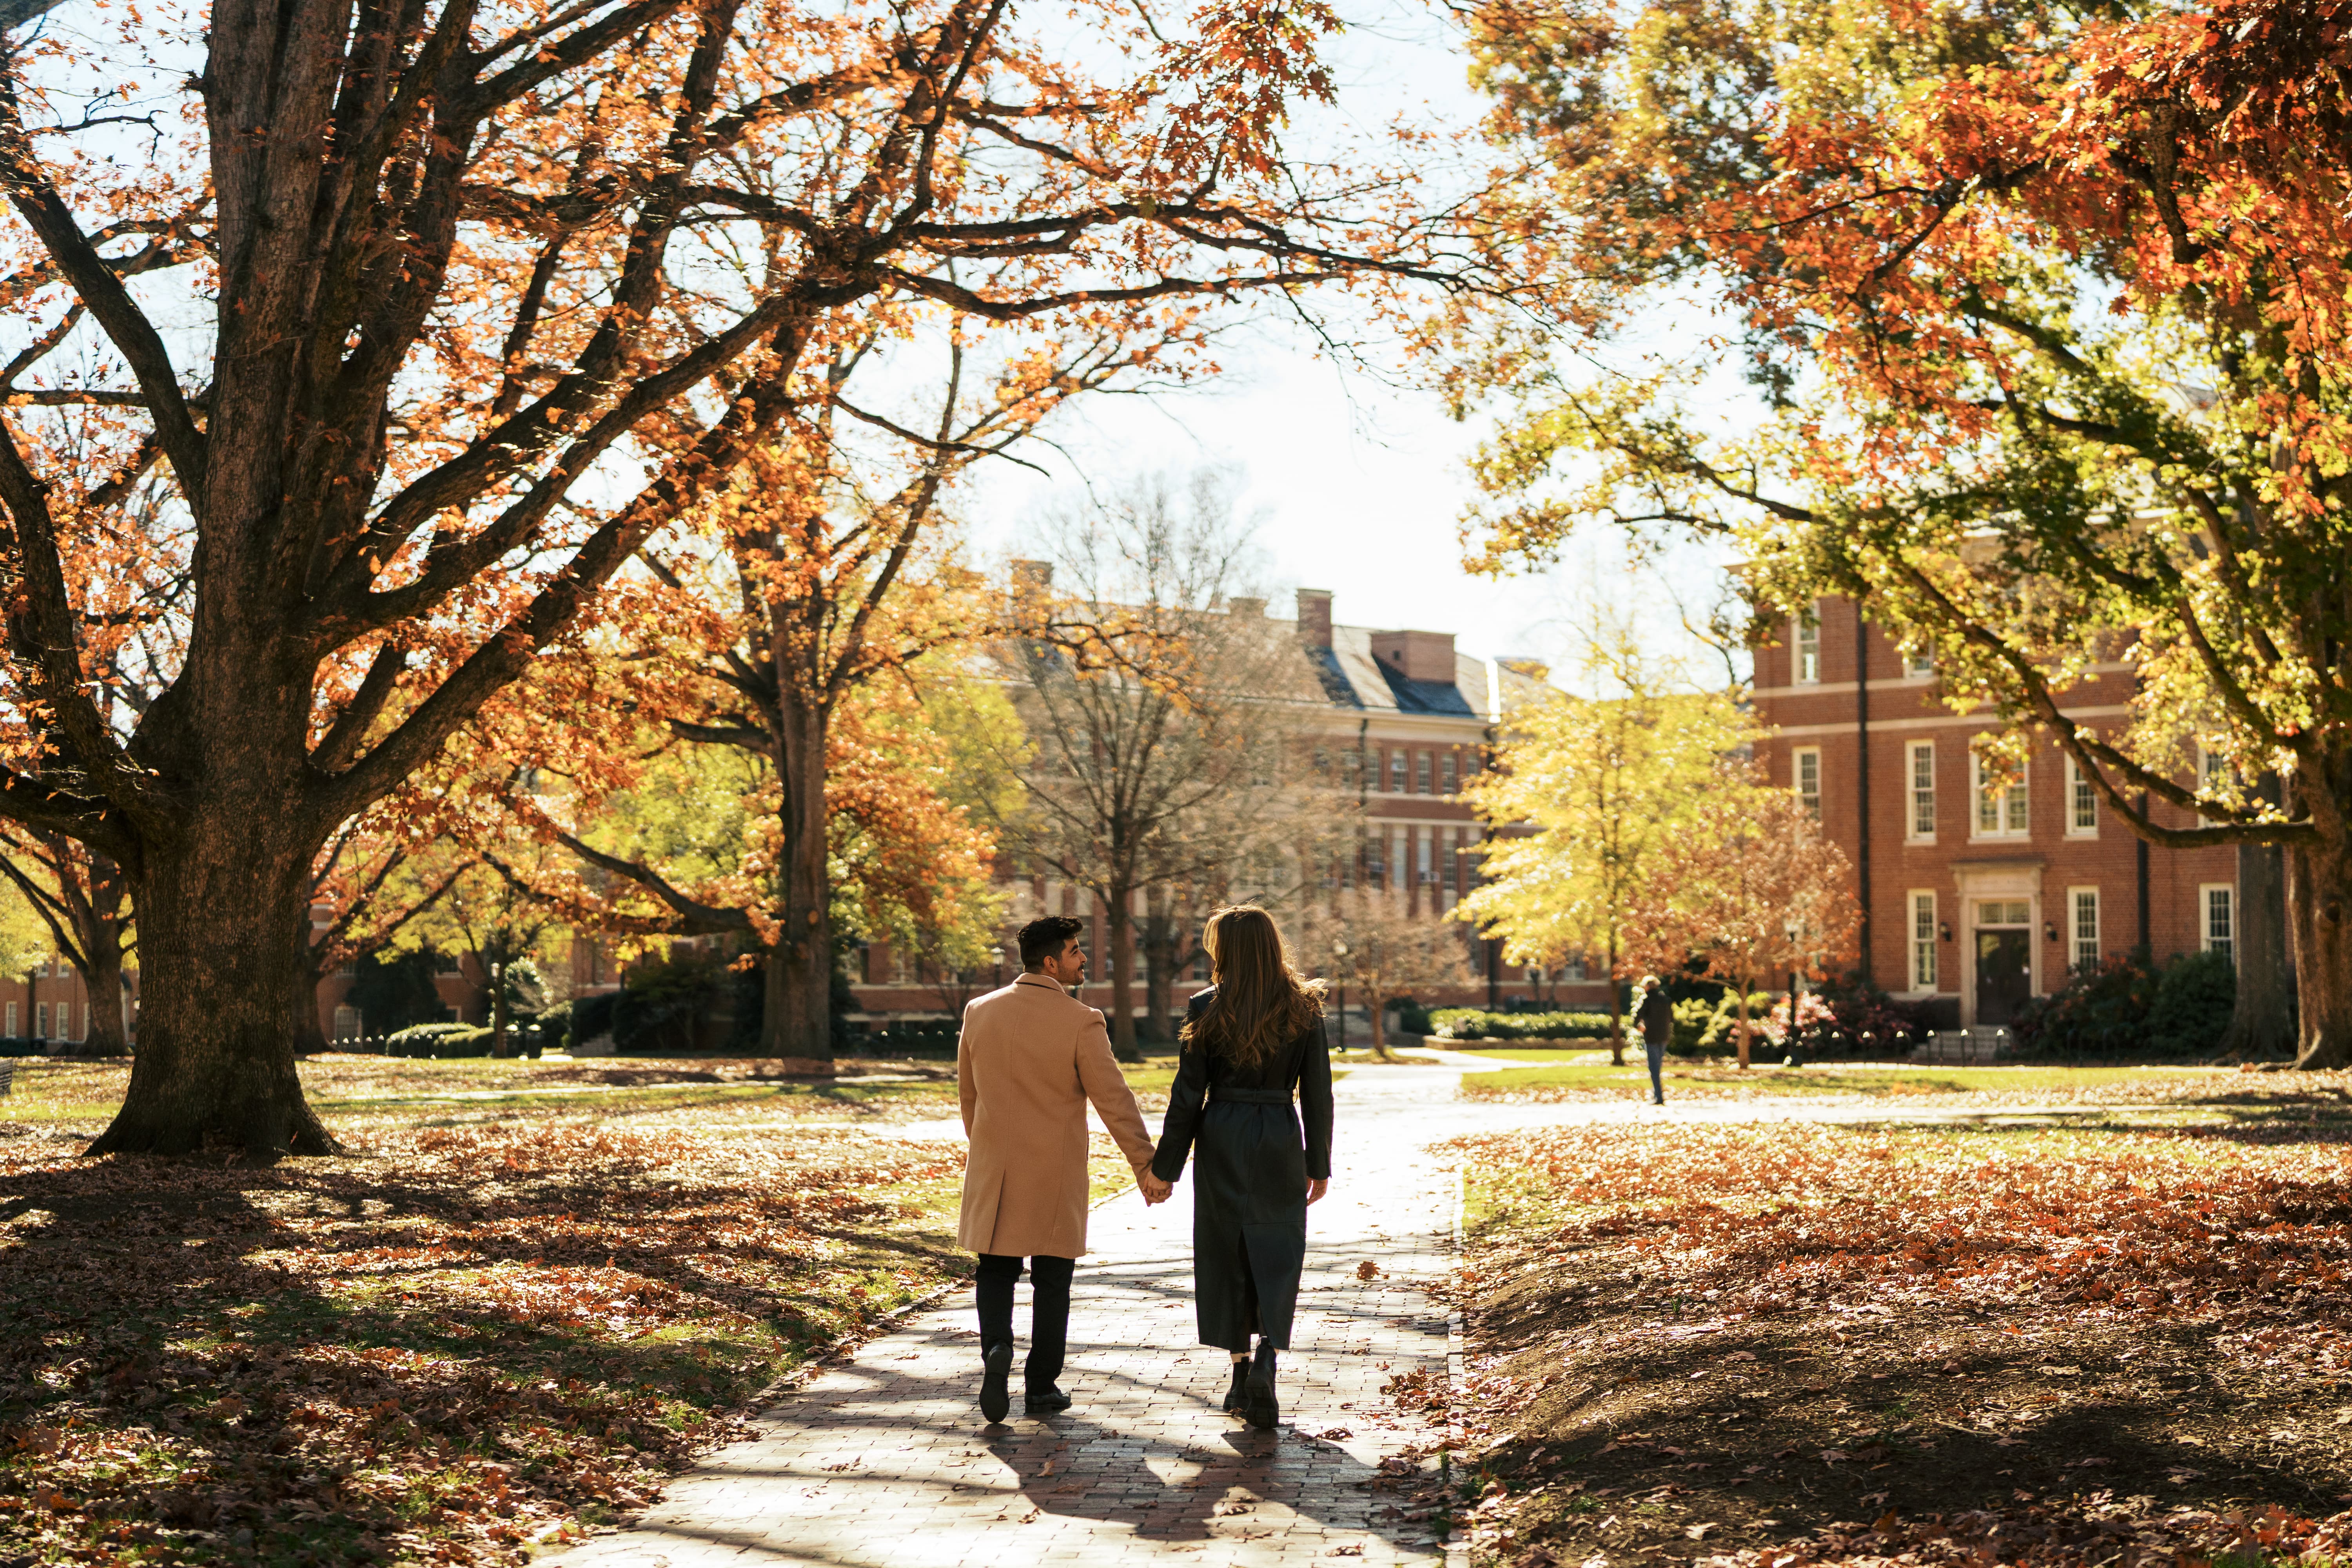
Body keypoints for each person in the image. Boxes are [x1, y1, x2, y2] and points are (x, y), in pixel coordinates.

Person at [957, 915, 1172, 1424]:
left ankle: (996, 1348)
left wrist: (987, 1147)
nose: (1084, 959)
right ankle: (1041, 1387)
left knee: (996, 1271)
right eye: (1076, 951)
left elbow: (969, 1096)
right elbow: (1114, 1099)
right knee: (1052, 1280)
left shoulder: (979, 1010)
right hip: (1053, 1172)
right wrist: (1145, 1164)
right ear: (1051, 962)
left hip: (993, 1169)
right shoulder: (1081, 1020)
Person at [1149, 904, 1335, 1430]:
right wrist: (1319, 1163)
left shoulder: (1206, 1005)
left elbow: (1187, 1097)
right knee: (1279, 1249)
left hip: (1223, 1136)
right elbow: (1318, 1092)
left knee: (1224, 1250)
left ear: (1227, 950)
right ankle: (1269, 1355)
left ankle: (1239, 1372)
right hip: (1278, 1134)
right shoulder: (1304, 1006)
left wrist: (1165, 1168)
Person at [1634, 974, 1673, 1105]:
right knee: (1658, 1066)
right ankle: (1657, 1094)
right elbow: (1671, 1018)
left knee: (1654, 1067)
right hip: (1664, 1036)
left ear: (1648, 986)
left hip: (1651, 1036)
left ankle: (1658, 1096)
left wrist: (1639, 1026)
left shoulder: (1646, 1000)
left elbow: (1637, 1016)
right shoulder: (1665, 999)